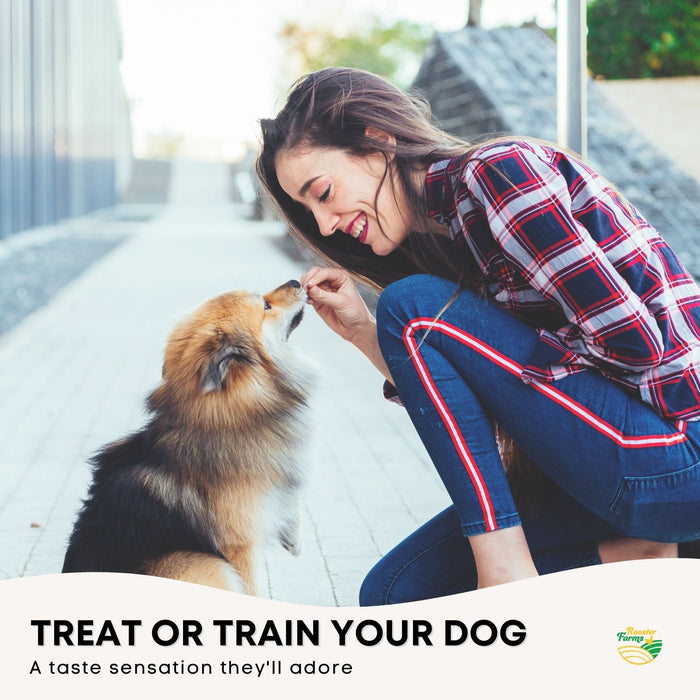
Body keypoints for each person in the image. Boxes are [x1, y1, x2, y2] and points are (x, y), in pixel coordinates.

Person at [256, 67, 700, 603]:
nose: (324, 225)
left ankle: (507, 574)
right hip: (608, 470)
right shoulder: (450, 242)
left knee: (412, 306)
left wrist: (496, 367)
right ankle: (641, 557)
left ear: (378, 142)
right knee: (399, 595)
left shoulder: (499, 173)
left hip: (675, 450)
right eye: (310, 212)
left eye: (323, 192)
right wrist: (365, 334)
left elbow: (635, 345)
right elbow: (480, 420)